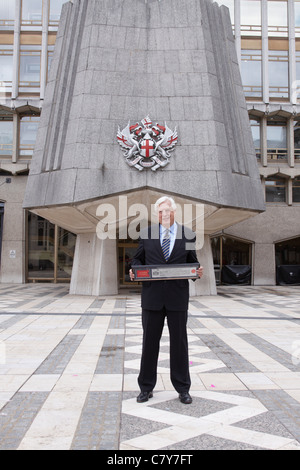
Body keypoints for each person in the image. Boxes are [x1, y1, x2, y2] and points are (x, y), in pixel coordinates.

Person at [129, 196, 203, 404]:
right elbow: (137, 259)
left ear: (174, 212)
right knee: (149, 344)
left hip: (177, 298)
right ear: (157, 214)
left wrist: (197, 271)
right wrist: (133, 270)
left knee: (179, 344)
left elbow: (192, 262)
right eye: (161, 211)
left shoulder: (187, 235)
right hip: (152, 298)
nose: (165, 214)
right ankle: (146, 388)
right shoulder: (147, 234)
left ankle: (182, 388)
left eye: (168, 211)